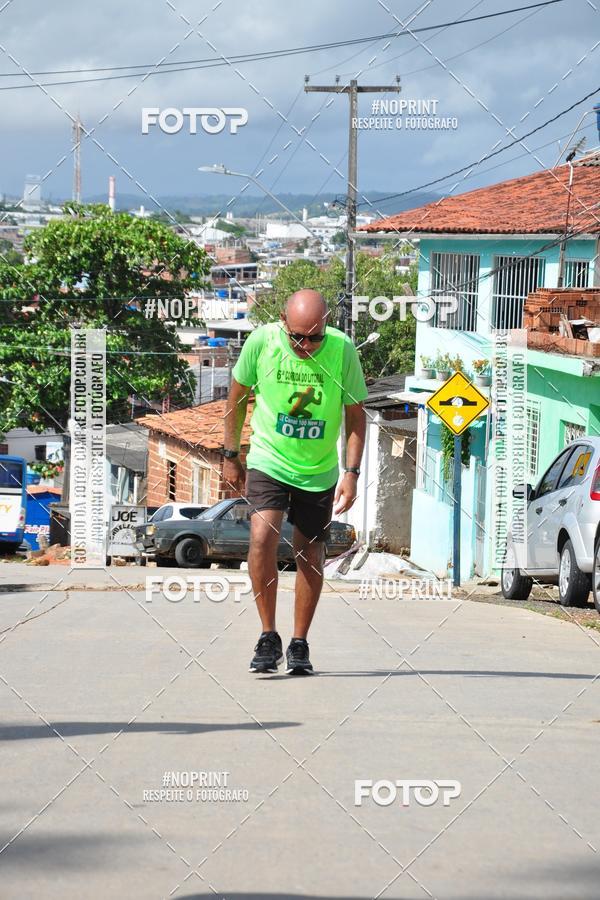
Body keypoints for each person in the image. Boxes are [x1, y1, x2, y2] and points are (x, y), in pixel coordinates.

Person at [222, 289, 367, 675]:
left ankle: (299, 642)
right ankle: (268, 635)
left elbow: (356, 417)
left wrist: (351, 473)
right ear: (283, 323)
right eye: (297, 336)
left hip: (318, 470)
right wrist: (231, 455)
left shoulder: (341, 350)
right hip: (269, 459)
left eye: (314, 337)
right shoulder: (263, 342)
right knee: (261, 537)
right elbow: (236, 399)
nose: (305, 345)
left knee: (308, 553)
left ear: (326, 328)